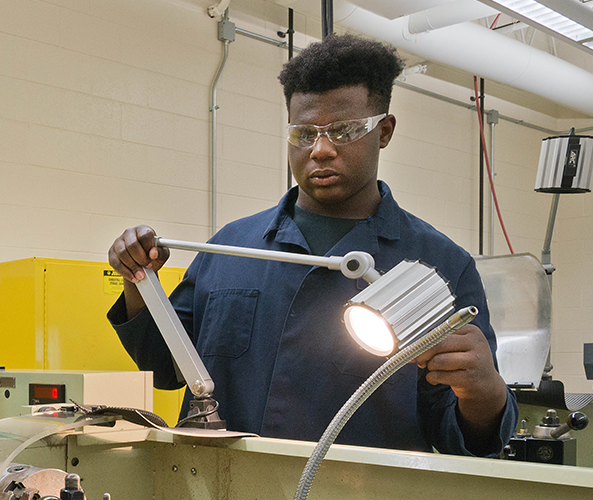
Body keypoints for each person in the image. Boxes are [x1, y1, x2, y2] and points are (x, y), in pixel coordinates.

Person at [106, 34, 515, 456]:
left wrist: (484, 392)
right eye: (303, 134)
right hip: (222, 480)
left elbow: (462, 436)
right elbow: (165, 367)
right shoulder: (230, 247)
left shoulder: (440, 266)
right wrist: (139, 279)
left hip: (362, 485)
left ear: (384, 131)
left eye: (343, 131)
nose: (320, 150)